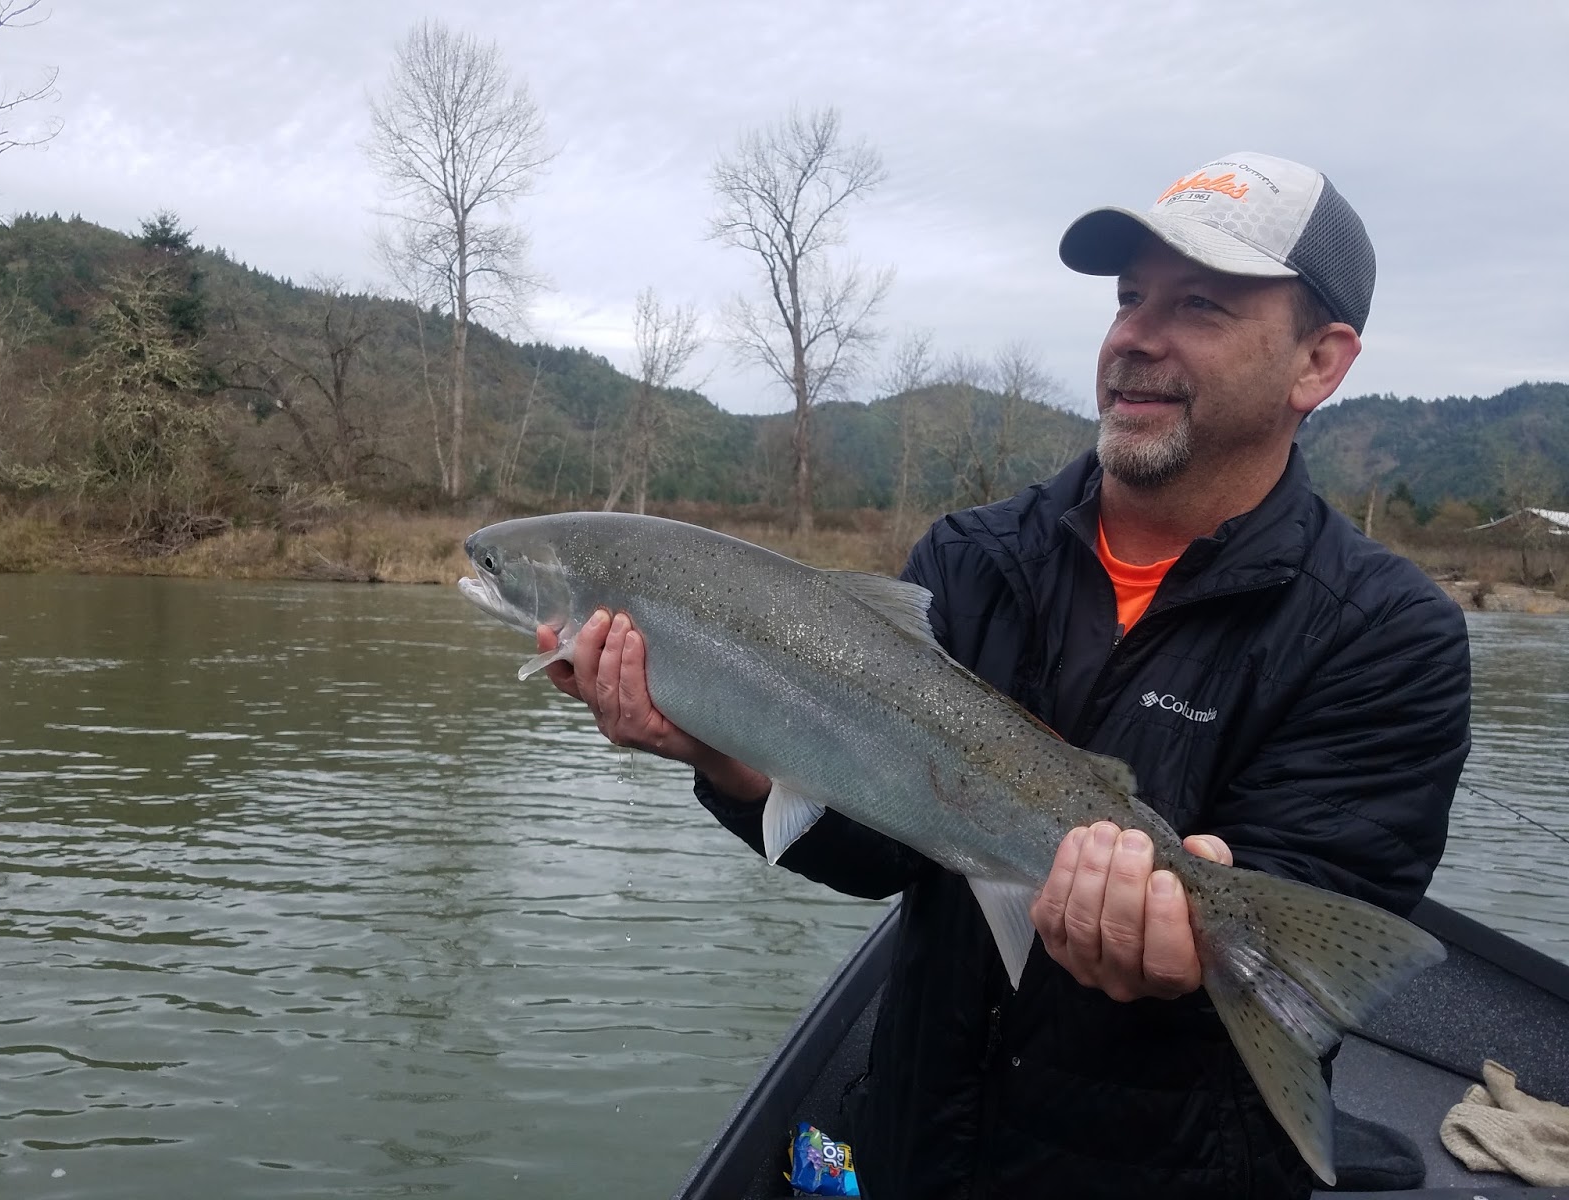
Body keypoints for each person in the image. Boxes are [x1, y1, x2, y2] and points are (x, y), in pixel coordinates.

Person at [538, 152, 1472, 1198]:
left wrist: (1185, 942)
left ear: (1319, 363)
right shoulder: (969, 560)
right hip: (920, 1149)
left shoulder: (1387, 636)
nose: (1135, 337)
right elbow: (887, 859)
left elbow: (1302, 934)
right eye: (1128, 299)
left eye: (1199, 305)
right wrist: (723, 754)